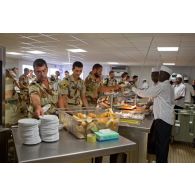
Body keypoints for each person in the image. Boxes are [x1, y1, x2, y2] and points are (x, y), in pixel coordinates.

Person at [132, 66, 175, 163]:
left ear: (166, 75)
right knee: (162, 143)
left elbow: (145, 94)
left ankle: (161, 162)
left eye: (161, 73)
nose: (159, 75)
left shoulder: (163, 86)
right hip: (166, 118)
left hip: (163, 119)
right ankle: (161, 161)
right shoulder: (169, 86)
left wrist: (133, 88)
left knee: (162, 144)